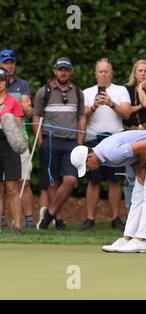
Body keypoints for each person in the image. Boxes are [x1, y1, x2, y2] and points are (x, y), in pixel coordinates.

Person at [70, 130, 146, 253]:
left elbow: (143, 146)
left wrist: (141, 168)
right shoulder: (103, 155)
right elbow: (132, 157)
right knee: (137, 195)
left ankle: (140, 240)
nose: (88, 170)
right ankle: (127, 238)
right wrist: (139, 173)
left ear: (89, 157)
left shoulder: (110, 153)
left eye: (86, 167)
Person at [34, 57, 86, 231]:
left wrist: (80, 141)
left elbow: (81, 117)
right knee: (52, 183)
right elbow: (36, 116)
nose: (63, 72)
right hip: (50, 140)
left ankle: (49, 214)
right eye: (60, 69)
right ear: (55, 71)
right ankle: (59, 219)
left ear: (70, 71)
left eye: (66, 69)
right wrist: (39, 139)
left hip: (71, 142)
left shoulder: (77, 92)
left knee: (70, 180)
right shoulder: (44, 91)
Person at [81, 58, 131, 230]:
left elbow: (126, 114)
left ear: (112, 72)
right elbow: (81, 117)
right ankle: (90, 218)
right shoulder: (87, 92)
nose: (103, 74)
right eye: (100, 71)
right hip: (93, 140)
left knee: (114, 180)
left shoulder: (121, 90)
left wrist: (110, 103)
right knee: (93, 180)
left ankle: (116, 218)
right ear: (95, 74)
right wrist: (93, 106)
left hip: (115, 139)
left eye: (106, 71)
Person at [0, 49, 34, 228]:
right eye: (5, 62)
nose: (9, 65)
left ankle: (24, 223)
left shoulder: (19, 90)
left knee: (19, 184)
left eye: (11, 62)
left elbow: (26, 114)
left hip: (14, 143)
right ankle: (1, 221)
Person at [0, 67, 24, 233]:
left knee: (12, 187)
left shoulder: (13, 101)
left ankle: (17, 225)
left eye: (1, 80)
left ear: (6, 82)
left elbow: (18, 127)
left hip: (9, 143)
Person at [123, 59, 146, 131]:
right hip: (128, 128)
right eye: (140, 71)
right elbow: (126, 110)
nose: (143, 73)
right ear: (135, 73)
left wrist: (140, 88)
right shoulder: (126, 88)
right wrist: (141, 106)